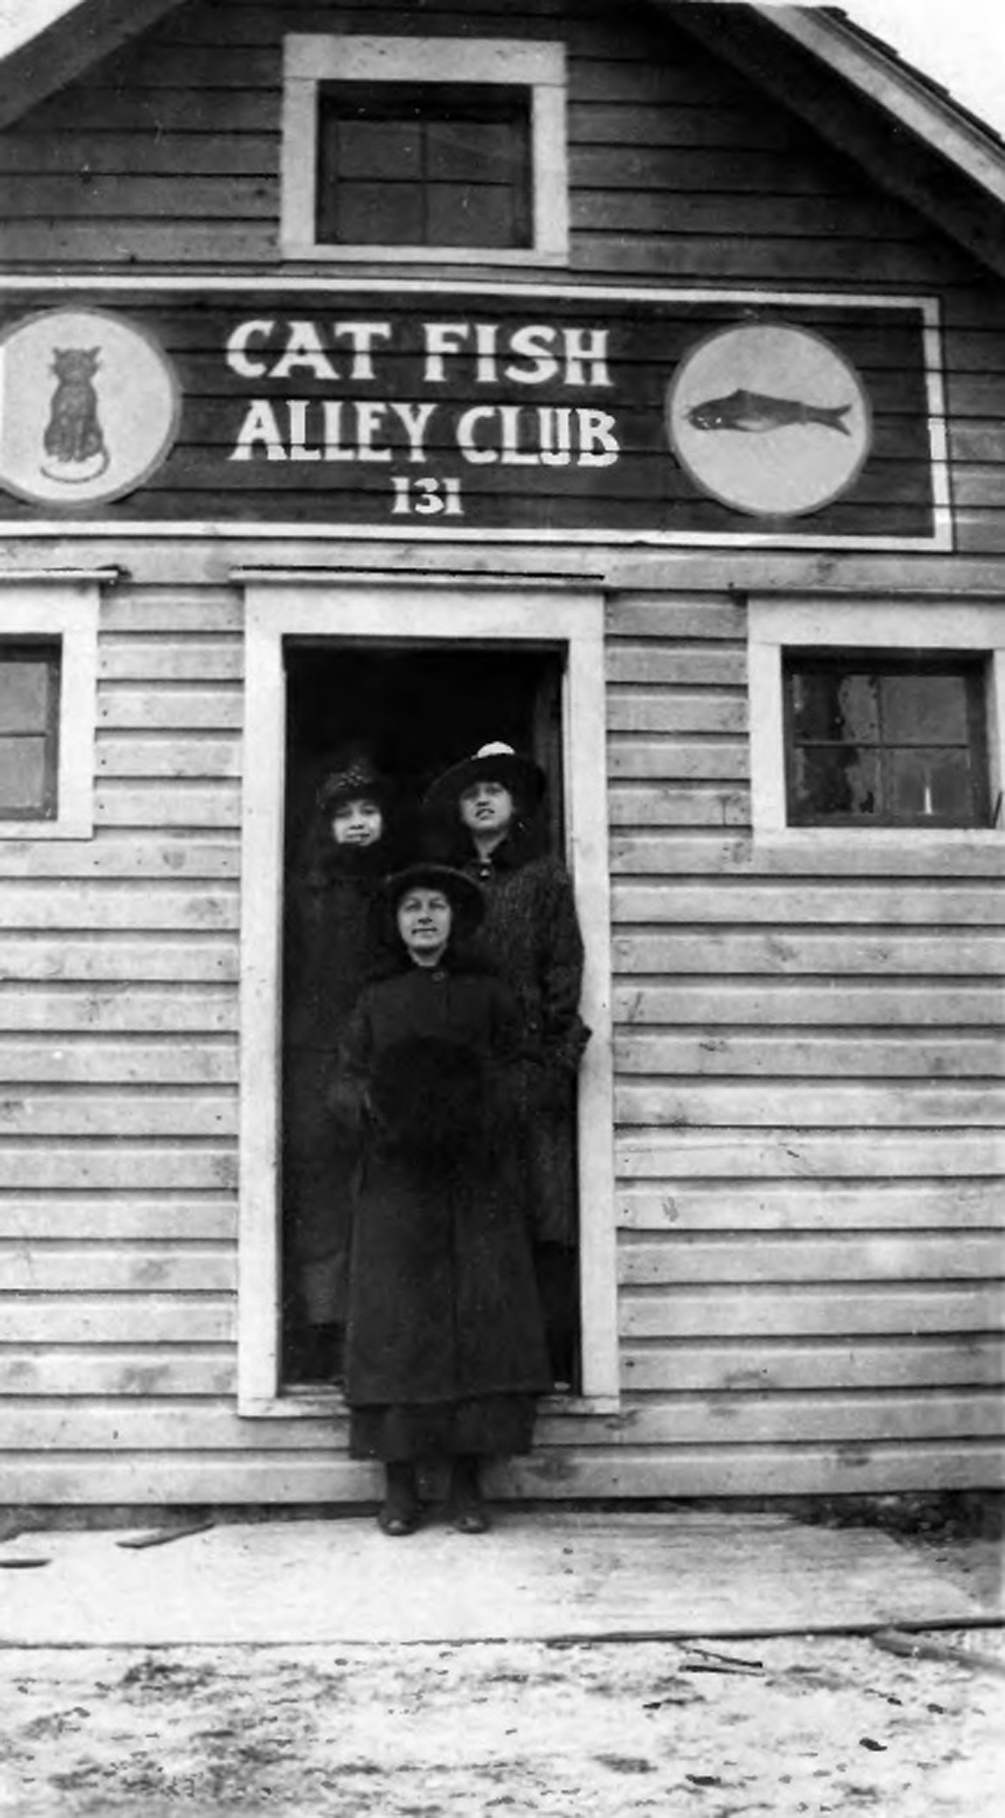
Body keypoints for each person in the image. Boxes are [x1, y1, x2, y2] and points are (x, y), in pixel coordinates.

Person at [336, 862, 551, 1537]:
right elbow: (343, 1079)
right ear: (396, 925)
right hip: (397, 1181)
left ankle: (464, 1486)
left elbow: (524, 1068)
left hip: (475, 1178)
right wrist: (377, 1107)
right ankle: (398, 1489)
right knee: (398, 1323)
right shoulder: (376, 1000)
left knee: (477, 1320)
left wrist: (480, 1106)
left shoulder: (487, 995)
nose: (424, 917)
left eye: (435, 907)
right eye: (411, 909)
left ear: (455, 920)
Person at [423, 742, 589, 1388]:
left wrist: (548, 1062)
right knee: (470, 1220)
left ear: (514, 804)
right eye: (470, 794)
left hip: (526, 1069)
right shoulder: (445, 882)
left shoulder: (543, 876)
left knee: (539, 1216)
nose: (483, 800)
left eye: (494, 790)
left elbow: (562, 967)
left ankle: (537, 1367)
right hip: (464, 1070)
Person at [282, 750, 397, 1383]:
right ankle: (324, 1337)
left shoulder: (403, 893)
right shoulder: (302, 895)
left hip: (383, 1062)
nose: (357, 823)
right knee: (321, 1199)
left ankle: (377, 1339)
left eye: (369, 811)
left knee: (383, 1196)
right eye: (344, 813)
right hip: (314, 1062)